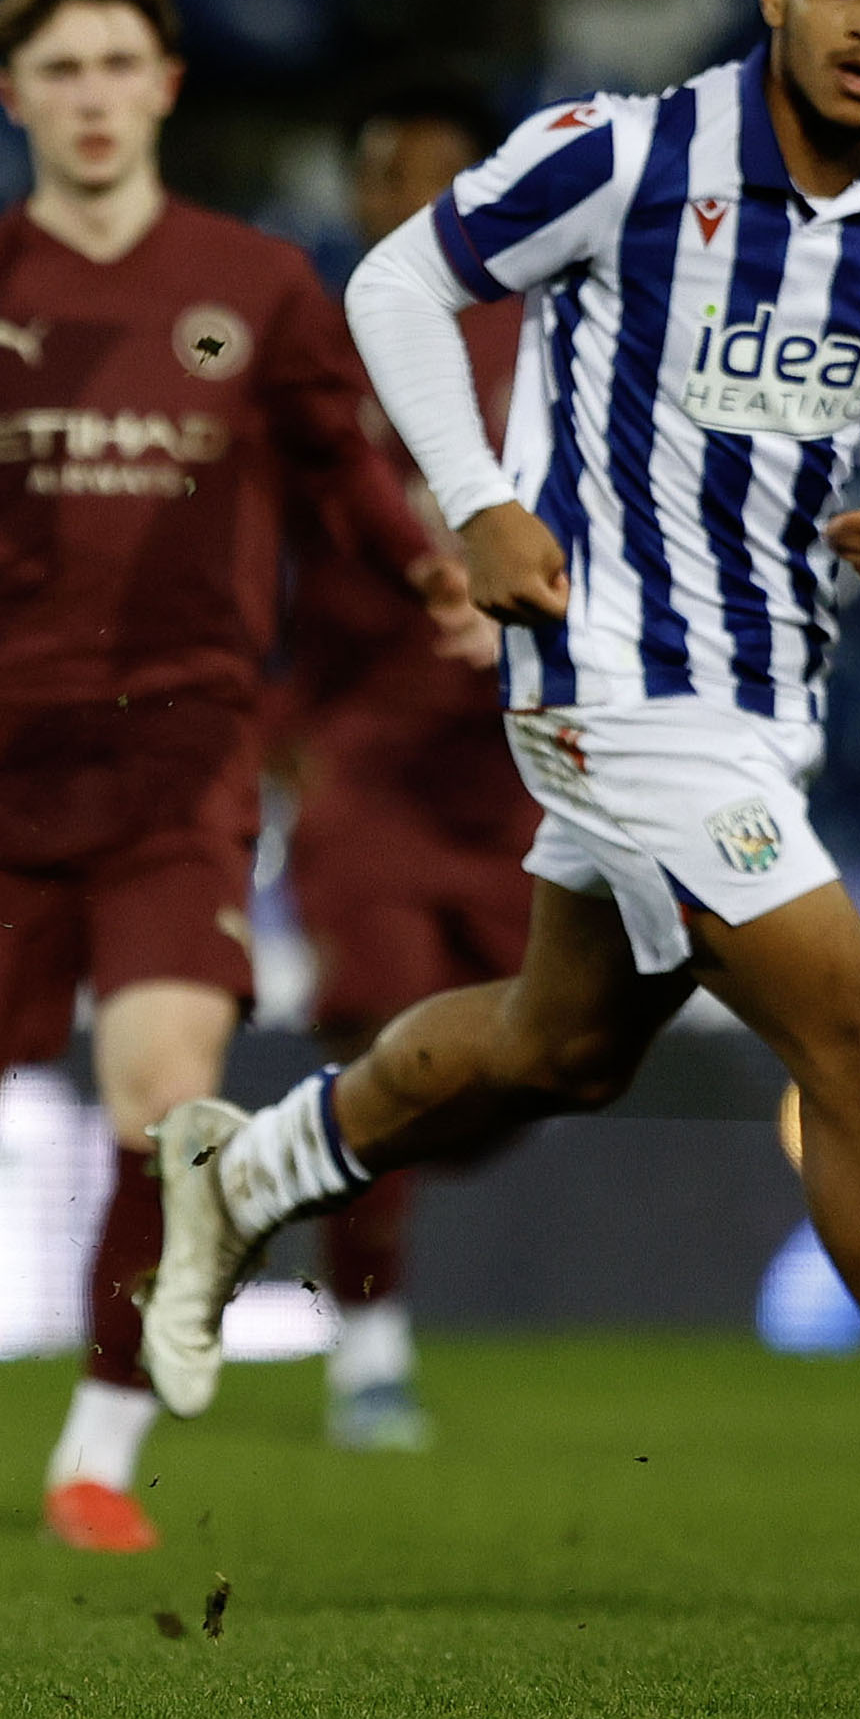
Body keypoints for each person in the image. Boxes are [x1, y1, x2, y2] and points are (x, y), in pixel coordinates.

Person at [144, 0, 860, 1627]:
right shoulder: (623, 154)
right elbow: (397, 289)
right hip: (601, 675)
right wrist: (478, 501)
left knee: (559, 1046)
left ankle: (248, 1166)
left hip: (761, 693)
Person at [0, 0, 487, 1554]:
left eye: (119, 67)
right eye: (62, 71)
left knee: (170, 1106)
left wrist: (431, 572)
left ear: (164, 88)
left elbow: (341, 481)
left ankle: (90, 1464)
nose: (92, 97)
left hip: (179, 772)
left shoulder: (255, 290)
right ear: (11, 99)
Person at [268, 78, 535, 1453]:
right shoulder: (306, 355)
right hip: (364, 767)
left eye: (442, 175)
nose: (412, 202)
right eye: (387, 176)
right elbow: (227, 565)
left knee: (538, 1064)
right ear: (357, 195)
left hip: (522, 776)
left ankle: (273, 1171)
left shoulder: (553, 337)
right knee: (373, 1020)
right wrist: (269, 747)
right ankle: (366, 1345)